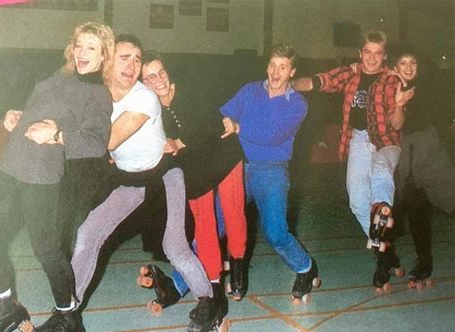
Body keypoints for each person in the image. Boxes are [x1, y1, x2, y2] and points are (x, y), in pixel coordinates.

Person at [69, 35, 229, 332]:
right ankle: (67, 311)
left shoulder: (144, 97)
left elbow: (105, 141)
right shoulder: (95, 95)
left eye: (137, 59)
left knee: (174, 246)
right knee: (87, 234)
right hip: (129, 181)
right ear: (108, 61)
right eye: (124, 57)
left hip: (163, 176)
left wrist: (56, 137)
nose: (132, 65)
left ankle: (210, 302)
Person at [0, 21, 114, 332]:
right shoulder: (57, 77)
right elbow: (38, 112)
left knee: (46, 250)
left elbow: (97, 142)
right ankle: (4, 306)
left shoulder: (98, 93)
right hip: (11, 163)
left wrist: (57, 136)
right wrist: (16, 116)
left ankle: (69, 320)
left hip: (41, 173)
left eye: (92, 49)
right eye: (80, 45)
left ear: (103, 58)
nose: (83, 54)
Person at [292, 30, 412, 292]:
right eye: (367, 52)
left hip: (388, 141)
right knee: (357, 201)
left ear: (384, 57)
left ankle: (382, 212)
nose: (371, 58)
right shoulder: (350, 74)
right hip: (358, 140)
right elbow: (317, 81)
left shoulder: (393, 81)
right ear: (360, 53)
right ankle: (385, 254)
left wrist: (400, 105)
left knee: (381, 172)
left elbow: (397, 123)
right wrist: (285, 84)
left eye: (377, 53)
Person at [137, 51, 247, 314]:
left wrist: (179, 142)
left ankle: (239, 270)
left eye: (161, 72)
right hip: (194, 169)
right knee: (204, 227)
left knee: (233, 214)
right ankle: (214, 287)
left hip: (223, 155)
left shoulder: (190, 89)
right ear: (143, 83)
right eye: (151, 76)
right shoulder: (147, 109)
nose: (159, 79)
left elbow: (209, 123)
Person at [220, 43, 320, 303]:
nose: (276, 72)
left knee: (275, 232)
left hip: (272, 170)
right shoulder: (250, 90)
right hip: (238, 167)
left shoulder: (298, 104)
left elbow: (273, 136)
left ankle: (306, 268)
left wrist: (239, 127)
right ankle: (181, 281)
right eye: (273, 65)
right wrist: (224, 121)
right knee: (218, 223)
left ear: (292, 72)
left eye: (283, 67)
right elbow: (224, 112)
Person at [390, 46, 455, 288]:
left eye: (413, 63)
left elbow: (444, 111)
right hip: (402, 150)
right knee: (405, 206)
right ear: (395, 67)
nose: (409, 68)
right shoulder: (388, 85)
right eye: (403, 63)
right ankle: (418, 262)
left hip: (429, 147)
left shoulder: (427, 87)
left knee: (450, 199)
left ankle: (422, 262)